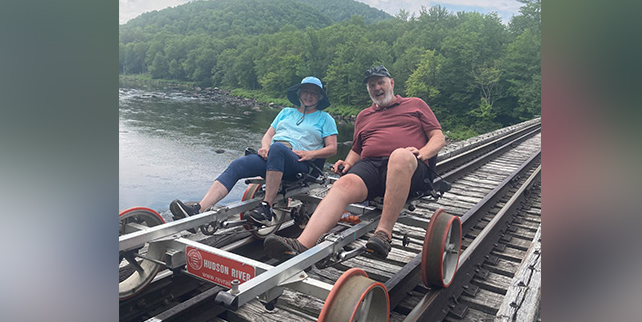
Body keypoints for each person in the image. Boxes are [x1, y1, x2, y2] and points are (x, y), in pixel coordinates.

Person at [263, 65, 445, 260]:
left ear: (391, 83)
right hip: (372, 166)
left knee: (399, 155)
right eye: (372, 85)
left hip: (409, 166)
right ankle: (302, 243)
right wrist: (348, 162)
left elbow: (438, 137)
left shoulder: (416, 104)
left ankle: (383, 234)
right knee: (344, 184)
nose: (377, 88)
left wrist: (423, 153)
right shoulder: (364, 116)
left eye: (381, 82)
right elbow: (357, 150)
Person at [170, 76, 339, 223]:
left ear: (319, 97)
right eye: (306, 91)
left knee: (278, 148)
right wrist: (265, 147)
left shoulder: (325, 118)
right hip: (274, 156)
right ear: (299, 94)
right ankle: (199, 209)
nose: (309, 96)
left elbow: (332, 148)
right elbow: (268, 135)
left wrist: (310, 154)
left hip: (300, 163)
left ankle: (266, 207)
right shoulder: (286, 112)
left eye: (313, 93)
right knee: (238, 165)